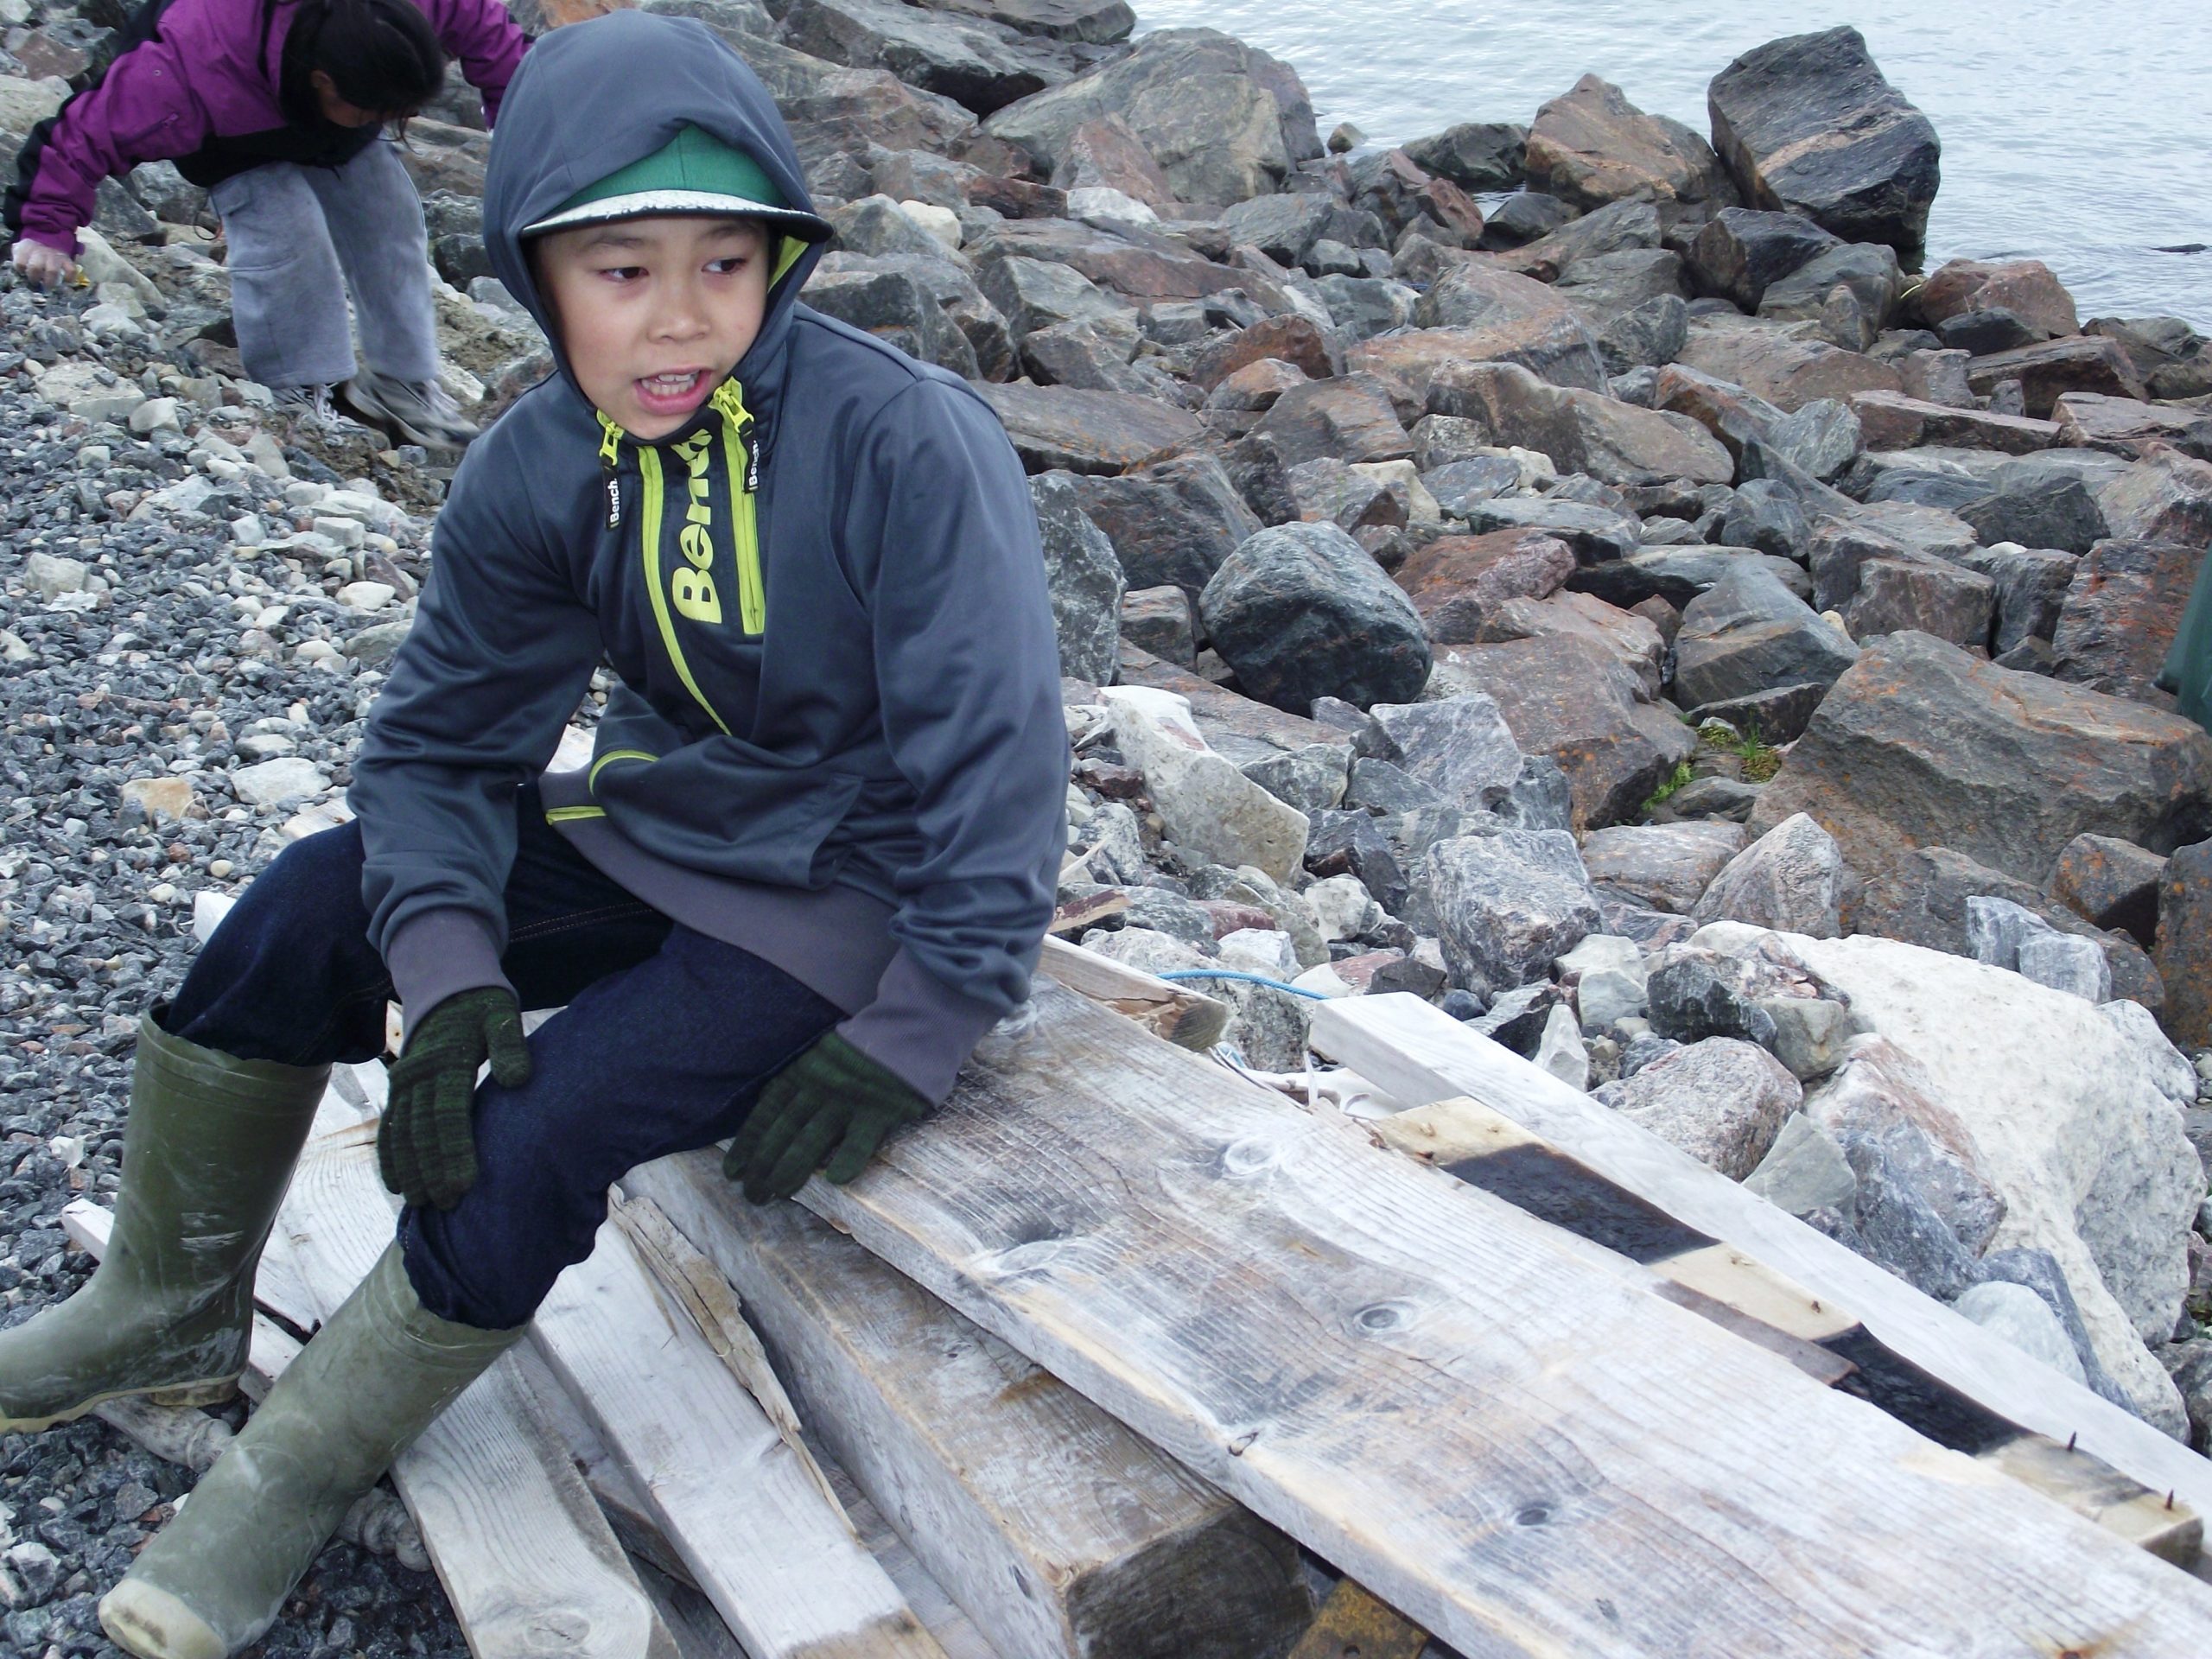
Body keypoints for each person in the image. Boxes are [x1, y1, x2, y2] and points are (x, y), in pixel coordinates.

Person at [0, 9, 1068, 1655]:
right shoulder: (539, 462)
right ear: (535, 271)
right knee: (302, 907)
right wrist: (450, 971)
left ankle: (286, 1476)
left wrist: (922, 1026)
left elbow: (997, 767)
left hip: (859, 890)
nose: (682, 321)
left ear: (782, 258)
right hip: (665, 825)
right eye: (621, 270)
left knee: (534, 1128)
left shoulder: (899, 440)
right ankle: (163, 1311)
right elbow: (436, 747)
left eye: (727, 263)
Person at [3, 0, 529, 448]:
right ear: (326, 83)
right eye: (378, 111)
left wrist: (522, 129)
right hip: (237, 131)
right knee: (287, 233)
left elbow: (491, 38)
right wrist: (46, 229)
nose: (389, 121)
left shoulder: (404, 14)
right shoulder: (188, 68)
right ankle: (300, 391)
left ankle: (404, 380)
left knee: (389, 216)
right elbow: (83, 134)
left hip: (332, 121)